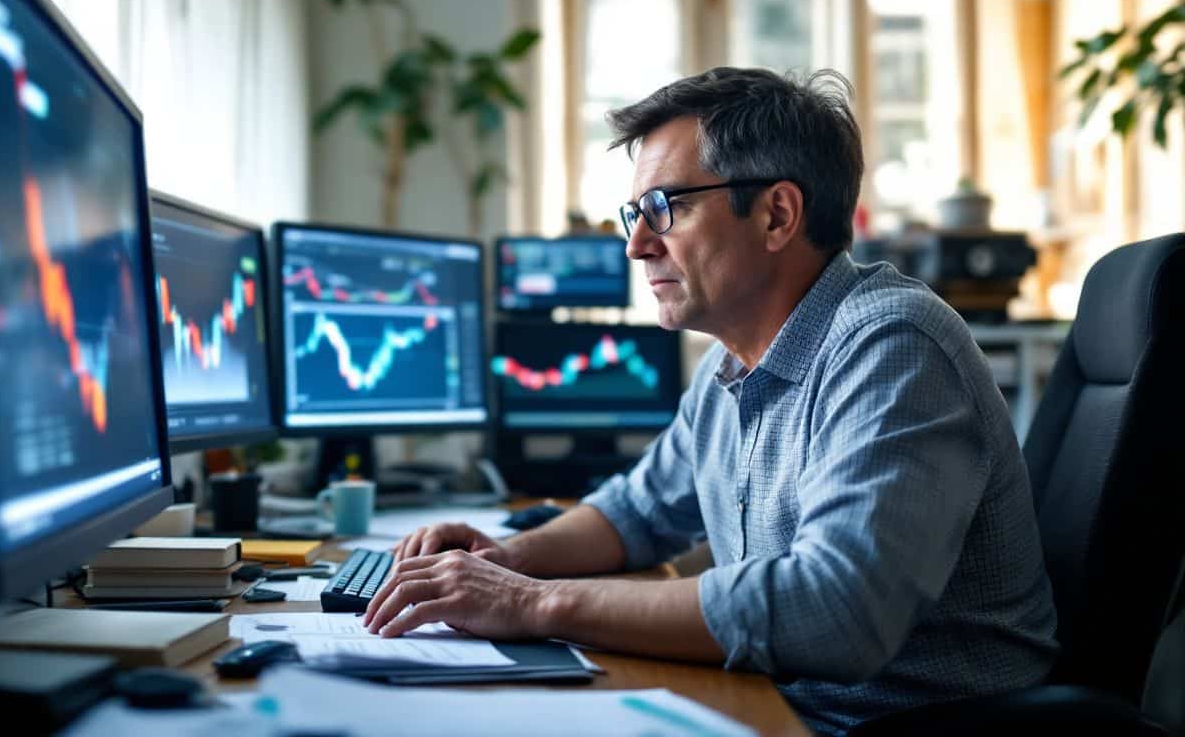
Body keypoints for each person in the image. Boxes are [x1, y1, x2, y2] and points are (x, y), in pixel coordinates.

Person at [363, 67, 1058, 735]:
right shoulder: (732, 363)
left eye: (664, 208)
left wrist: (535, 603)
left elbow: (837, 612)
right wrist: (505, 561)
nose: (636, 245)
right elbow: (634, 513)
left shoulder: (892, 346)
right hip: (777, 708)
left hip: (892, 726)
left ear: (777, 214)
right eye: (634, 214)